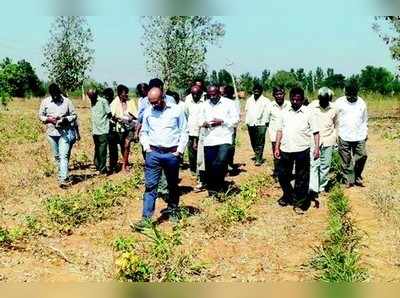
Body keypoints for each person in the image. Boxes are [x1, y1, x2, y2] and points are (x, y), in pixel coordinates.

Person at [133, 87, 188, 231]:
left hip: (171, 154)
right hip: (154, 154)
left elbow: (184, 131)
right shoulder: (148, 112)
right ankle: (146, 219)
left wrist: (179, 151)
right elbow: (143, 131)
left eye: (156, 102)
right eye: (151, 102)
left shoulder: (176, 110)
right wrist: (147, 148)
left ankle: (173, 210)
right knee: (150, 186)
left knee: (172, 185)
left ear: (163, 97)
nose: (153, 105)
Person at [274, 87, 320, 213]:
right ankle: (288, 195)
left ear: (302, 99)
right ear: (290, 98)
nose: (295, 102)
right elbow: (279, 130)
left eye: (298, 100)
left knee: (302, 177)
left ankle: (300, 202)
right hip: (285, 148)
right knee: (282, 175)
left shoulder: (309, 112)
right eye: (293, 99)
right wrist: (277, 146)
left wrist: (316, 148)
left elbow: (316, 132)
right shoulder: (284, 112)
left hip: (302, 149)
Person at [200, 86, 239, 197]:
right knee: (210, 166)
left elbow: (235, 120)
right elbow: (198, 119)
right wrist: (204, 123)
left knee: (220, 163)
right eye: (209, 95)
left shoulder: (229, 103)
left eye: (214, 94)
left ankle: (220, 186)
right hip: (209, 139)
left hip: (224, 138)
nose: (212, 97)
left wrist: (222, 121)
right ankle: (212, 191)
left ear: (219, 93)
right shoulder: (204, 105)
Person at [38, 83, 78, 188]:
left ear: (59, 93)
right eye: (53, 95)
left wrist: (65, 119)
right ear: (51, 94)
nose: (55, 97)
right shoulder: (45, 102)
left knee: (63, 156)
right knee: (57, 156)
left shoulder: (67, 102)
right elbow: (40, 115)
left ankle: (63, 179)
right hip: (51, 133)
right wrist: (48, 119)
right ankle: (61, 174)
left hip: (64, 133)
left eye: (57, 94)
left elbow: (74, 115)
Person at [335, 82, 368, 188]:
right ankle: (349, 179)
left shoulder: (361, 103)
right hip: (343, 135)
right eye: (349, 95)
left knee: (362, 156)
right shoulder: (339, 102)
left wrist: (365, 132)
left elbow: (364, 119)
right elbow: (334, 117)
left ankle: (357, 175)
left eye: (353, 96)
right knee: (346, 159)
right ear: (345, 92)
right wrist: (335, 133)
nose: (351, 98)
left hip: (359, 135)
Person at [309, 87, 337, 194]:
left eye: (326, 100)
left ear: (330, 99)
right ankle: (314, 188)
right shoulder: (312, 106)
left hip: (328, 140)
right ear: (319, 98)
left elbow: (336, 124)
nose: (324, 103)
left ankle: (321, 187)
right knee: (314, 164)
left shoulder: (334, 108)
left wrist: (334, 138)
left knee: (325, 165)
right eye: (322, 100)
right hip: (314, 140)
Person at [109, 84, 138, 172]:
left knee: (127, 144)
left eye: (127, 93)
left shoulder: (131, 101)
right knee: (123, 146)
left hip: (130, 126)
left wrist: (131, 118)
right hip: (120, 128)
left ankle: (124, 165)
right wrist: (118, 119)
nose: (126, 95)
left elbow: (136, 115)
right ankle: (125, 162)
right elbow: (112, 116)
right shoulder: (114, 103)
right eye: (125, 94)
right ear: (119, 94)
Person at [184, 85, 206, 189]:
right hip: (190, 131)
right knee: (191, 154)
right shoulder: (188, 100)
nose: (195, 96)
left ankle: (200, 176)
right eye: (193, 94)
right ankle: (193, 172)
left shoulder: (205, 100)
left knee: (200, 155)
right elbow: (186, 114)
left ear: (201, 93)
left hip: (202, 132)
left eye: (197, 94)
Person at [266, 86, 290, 179]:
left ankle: (287, 173)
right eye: (277, 94)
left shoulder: (289, 104)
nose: (279, 96)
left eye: (281, 94)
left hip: (287, 134)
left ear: (284, 94)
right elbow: (267, 121)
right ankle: (278, 173)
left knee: (287, 154)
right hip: (274, 135)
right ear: (273, 95)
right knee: (277, 154)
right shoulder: (269, 106)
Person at [245, 84, 270, 166]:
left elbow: (268, 113)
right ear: (253, 91)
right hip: (251, 123)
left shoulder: (266, 100)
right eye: (255, 90)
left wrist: (267, 122)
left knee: (260, 141)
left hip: (262, 123)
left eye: (258, 90)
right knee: (253, 141)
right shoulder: (249, 100)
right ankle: (257, 154)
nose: (256, 92)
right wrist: (247, 122)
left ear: (261, 91)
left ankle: (259, 158)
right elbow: (247, 111)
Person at [88, 89, 112, 175]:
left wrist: (105, 122)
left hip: (103, 130)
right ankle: (97, 165)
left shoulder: (103, 101)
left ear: (96, 95)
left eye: (92, 97)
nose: (91, 99)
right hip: (95, 130)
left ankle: (102, 170)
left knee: (102, 151)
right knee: (97, 149)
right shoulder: (92, 101)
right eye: (89, 97)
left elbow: (109, 114)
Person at [224, 85, 241, 171]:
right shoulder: (222, 102)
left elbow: (237, 118)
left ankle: (229, 163)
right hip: (223, 128)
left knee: (230, 147)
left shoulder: (235, 103)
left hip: (231, 128)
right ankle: (226, 164)